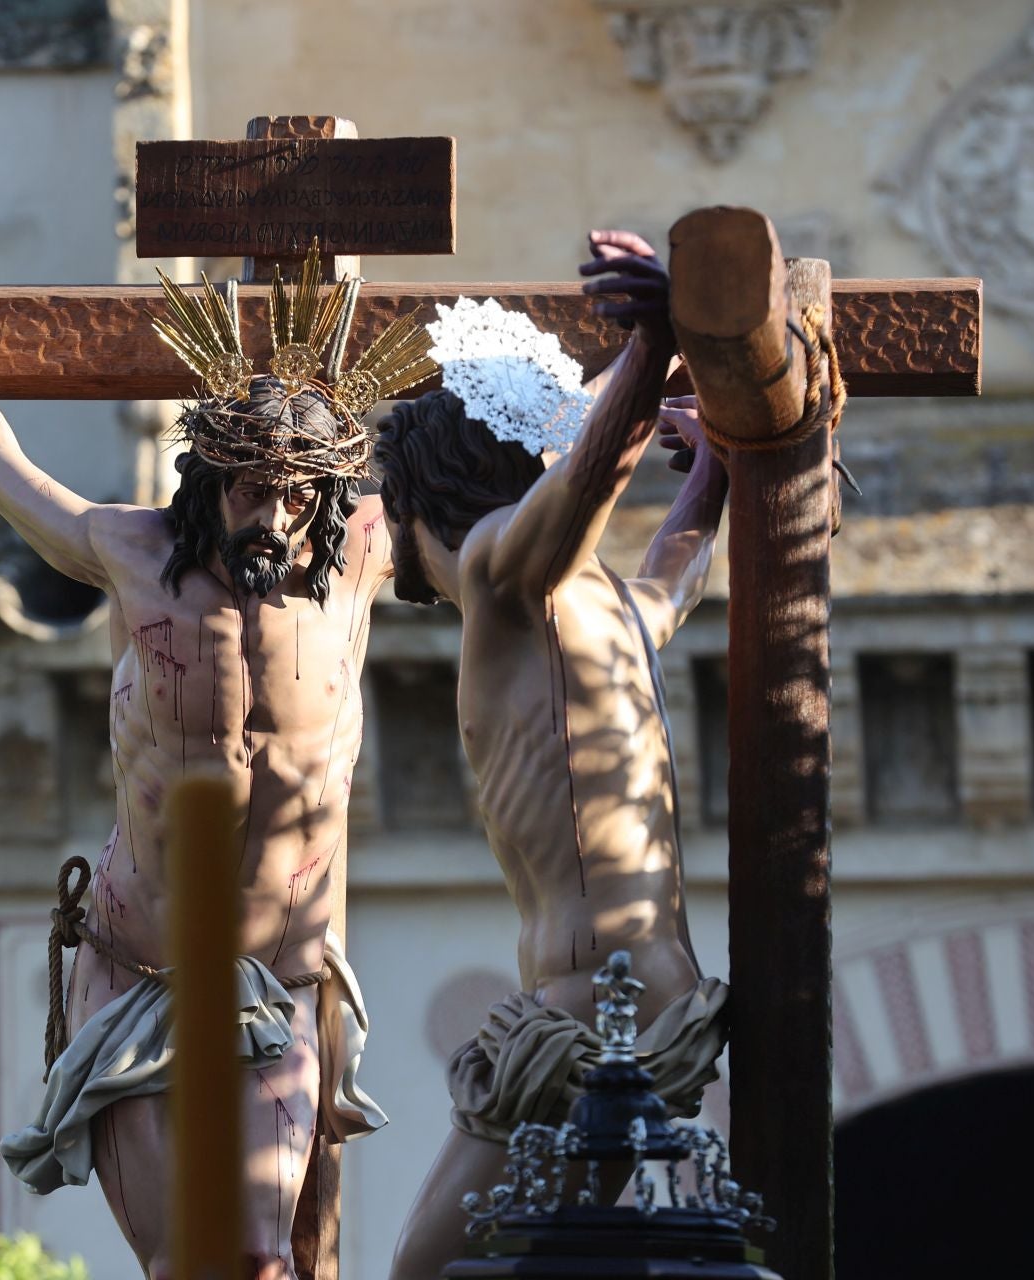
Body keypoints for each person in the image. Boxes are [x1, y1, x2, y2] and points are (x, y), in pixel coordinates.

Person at [0, 250, 422, 1278]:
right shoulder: (131, 553)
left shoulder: (359, 555)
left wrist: (638, 375)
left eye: (294, 496)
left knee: (263, 1259)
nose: (271, 516)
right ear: (209, 477)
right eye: (250, 490)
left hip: (275, 982)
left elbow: (497, 494)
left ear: (324, 496)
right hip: (139, 972)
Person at [374, 231, 731, 1278]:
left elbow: (582, 486)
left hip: (590, 1011)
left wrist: (652, 346)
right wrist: (711, 469)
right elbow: (677, 566)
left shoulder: (498, 570)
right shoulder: (605, 603)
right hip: (643, 995)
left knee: (429, 1270)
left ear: (412, 497)